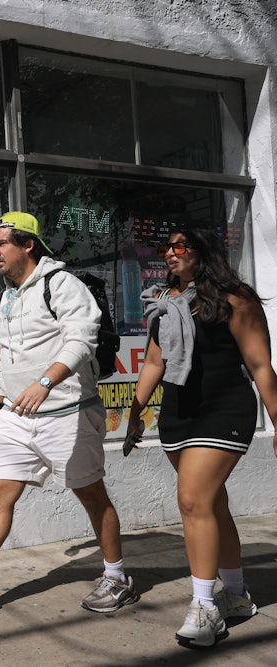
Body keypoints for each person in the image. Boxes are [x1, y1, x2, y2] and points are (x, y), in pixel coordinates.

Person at [0, 211, 137, 615]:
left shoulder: (62, 285)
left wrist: (45, 383)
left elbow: (81, 340)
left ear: (28, 245)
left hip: (68, 411)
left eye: (2, 244)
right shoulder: (0, 301)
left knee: (91, 495)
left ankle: (117, 578)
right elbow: (6, 358)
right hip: (16, 417)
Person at [125, 226, 277, 648]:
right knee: (212, 504)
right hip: (178, 416)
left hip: (225, 409)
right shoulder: (166, 303)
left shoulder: (235, 299)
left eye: (179, 247)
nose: (170, 254)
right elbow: (155, 362)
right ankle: (237, 596)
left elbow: (260, 365)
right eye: (165, 248)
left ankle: (205, 606)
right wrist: (136, 411)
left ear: (201, 253)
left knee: (192, 500)